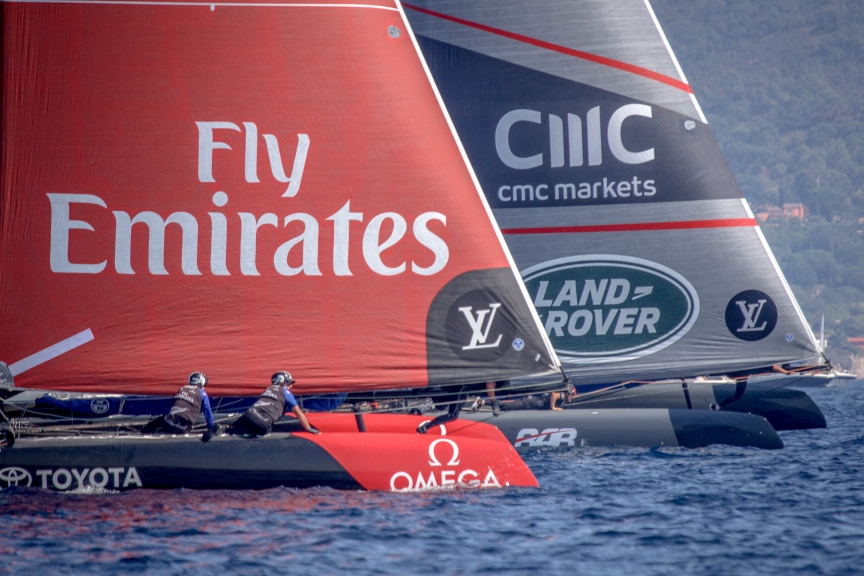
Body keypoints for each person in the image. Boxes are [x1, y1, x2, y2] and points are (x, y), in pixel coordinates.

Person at [229, 371, 321, 437]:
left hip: (248, 414)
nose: (291, 386)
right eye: (288, 383)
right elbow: (299, 414)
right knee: (265, 432)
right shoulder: (285, 392)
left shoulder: (268, 389)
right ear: (281, 381)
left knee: (238, 428)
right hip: (262, 422)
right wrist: (308, 428)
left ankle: (228, 430)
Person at [141, 372, 219, 437]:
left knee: (159, 419)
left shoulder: (182, 388)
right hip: (184, 429)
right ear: (201, 383)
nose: (205, 388)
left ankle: (141, 433)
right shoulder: (203, 394)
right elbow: (208, 414)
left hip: (169, 423)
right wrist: (211, 429)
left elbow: (174, 406)